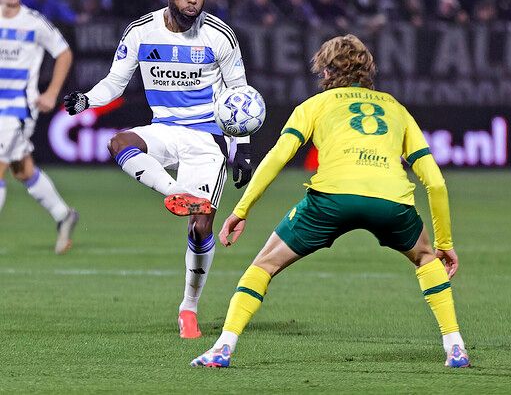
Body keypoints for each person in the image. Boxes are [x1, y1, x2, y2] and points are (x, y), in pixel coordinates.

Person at [187, 34, 470, 368]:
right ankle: (455, 346)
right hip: (391, 200)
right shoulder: (396, 109)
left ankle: (223, 348)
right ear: (369, 70)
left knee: (263, 265)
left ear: (325, 71)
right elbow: (435, 182)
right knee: (425, 259)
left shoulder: (314, 106)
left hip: (331, 199)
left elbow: (278, 158)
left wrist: (242, 209)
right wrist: (445, 243)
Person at [63, 0, 253, 339]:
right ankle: (176, 194)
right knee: (119, 142)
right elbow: (115, 83)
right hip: (164, 128)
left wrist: (242, 149)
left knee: (200, 228)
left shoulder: (220, 36)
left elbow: (240, 97)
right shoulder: (140, 31)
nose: (193, 0)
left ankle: (189, 308)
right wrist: (86, 100)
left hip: (206, 137)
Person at [0, 0, 78, 254]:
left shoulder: (33, 23)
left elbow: (64, 53)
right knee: (22, 170)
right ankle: (63, 215)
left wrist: (52, 92)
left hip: (18, 109)